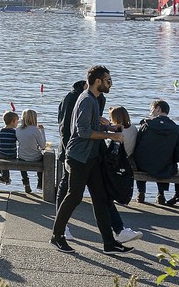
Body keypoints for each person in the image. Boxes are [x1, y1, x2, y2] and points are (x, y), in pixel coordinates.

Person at [49, 65, 130, 255]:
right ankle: (57, 236)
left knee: (101, 199)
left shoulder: (93, 99)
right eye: (109, 81)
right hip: (79, 157)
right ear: (98, 81)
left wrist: (111, 128)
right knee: (74, 196)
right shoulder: (86, 100)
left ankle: (109, 244)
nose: (111, 84)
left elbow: (92, 126)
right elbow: (83, 131)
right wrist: (110, 137)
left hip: (91, 157)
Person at [132, 100, 179, 204]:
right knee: (167, 162)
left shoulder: (147, 125)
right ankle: (161, 194)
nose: (150, 112)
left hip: (144, 165)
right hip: (166, 167)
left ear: (158, 109)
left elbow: (137, 145)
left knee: (139, 161)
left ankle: (141, 192)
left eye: (151, 109)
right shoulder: (176, 129)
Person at [106, 106, 142, 244]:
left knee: (104, 199)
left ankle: (118, 231)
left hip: (117, 163)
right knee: (104, 200)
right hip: (128, 160)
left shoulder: (118, 132)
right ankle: (119, 230)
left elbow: (112, 150)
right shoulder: (133, 128)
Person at [53, 80, 88, 207]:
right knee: (66, 180)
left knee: (67, 180)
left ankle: (62, 211)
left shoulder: (70, 98)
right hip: (71, 147)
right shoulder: (75, 99)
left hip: (70, 146)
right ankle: (60, 212)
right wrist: (67, 147)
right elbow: (65, 126)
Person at [0, 111, 31, 193]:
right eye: (17, 121)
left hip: (1, 154)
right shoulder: (15, 132)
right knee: (22, 165)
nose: (17, 123)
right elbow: (20, 142)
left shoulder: (0, 131)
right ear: (13, 121)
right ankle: (26, 183)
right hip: (12, 155)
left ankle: (4, 176)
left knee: (2, 157)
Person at [15, 109, 47, 195]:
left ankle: (26, 183)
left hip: (22, 156)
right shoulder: (35, 130)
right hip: (35, 157)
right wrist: (42, 131)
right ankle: (40, 182)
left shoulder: (18, 130)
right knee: (43, 158)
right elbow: (43, 146)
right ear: (34, 118)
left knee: (22, 161)